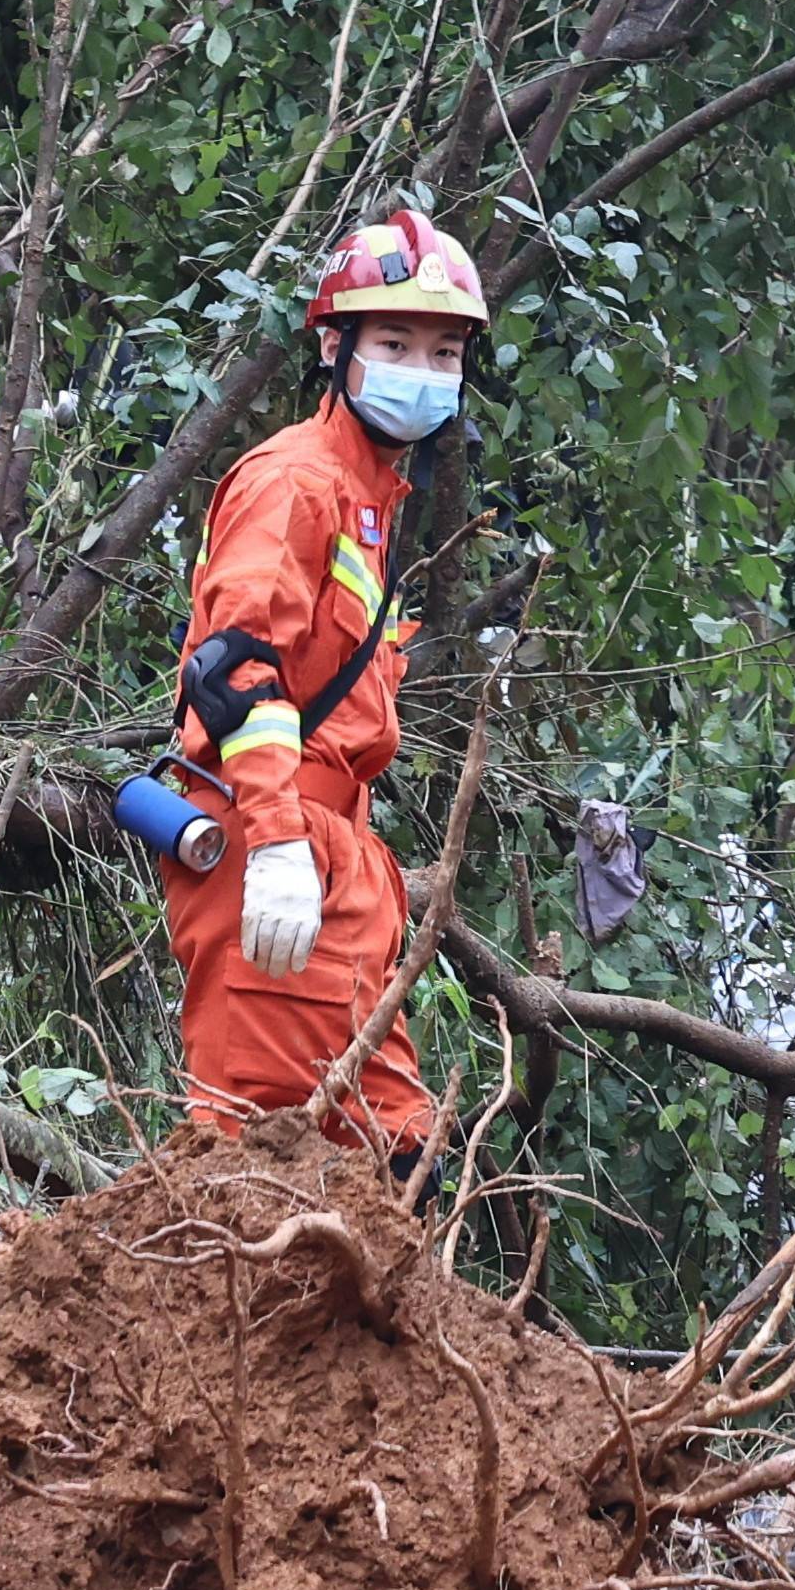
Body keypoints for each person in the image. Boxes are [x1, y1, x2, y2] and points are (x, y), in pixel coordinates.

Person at [152, 210, 483, 1152]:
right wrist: (280, 845)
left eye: (443, 351)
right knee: (264, 1150)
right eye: (395, 343)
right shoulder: (297, 483)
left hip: (339, 854)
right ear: (336, 347)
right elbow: (233, 672)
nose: (422, 370)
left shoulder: (370, 501)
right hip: (272, 839)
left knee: (390, 1147)